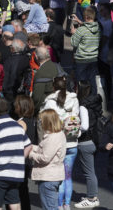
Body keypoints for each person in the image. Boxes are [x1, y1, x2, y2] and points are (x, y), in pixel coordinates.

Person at [0, 97, 32, 210]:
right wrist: (18, 159)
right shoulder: (17, 125)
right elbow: (29, 146)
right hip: (15, 174)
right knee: (14, 201)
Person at [40, 78, 80, 209]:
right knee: (68, 176)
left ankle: (58, 205)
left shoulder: (50, 102)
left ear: (53, 87)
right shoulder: (74, 99)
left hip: (56, 143)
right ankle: (67, 204)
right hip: (72, 143)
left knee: (58, 177)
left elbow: (44, 121)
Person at [29, 109, 67, 210]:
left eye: (41, 121)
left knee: (49, 207)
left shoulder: (52, 137)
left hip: (48, 177)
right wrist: (31, 146)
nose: (40, 123)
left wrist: (30, 154)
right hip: (53, 175)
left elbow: (45, 158)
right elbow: (45, 150)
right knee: (51, 206)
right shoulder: (58, 134)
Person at [74, 81, 102, 208]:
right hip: (94, 140)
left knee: (89, 172)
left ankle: (92, 198)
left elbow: (85, 126)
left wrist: (76, 131)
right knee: (91, 171)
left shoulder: (83, 106)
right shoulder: (93, 104)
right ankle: (92, 195)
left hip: (86, 142)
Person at [71, 7, 101, 95]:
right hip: (93, 59)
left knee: (81, 82)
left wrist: (74, 33)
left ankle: (82, 100)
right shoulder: (98, 28)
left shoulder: (81, 30)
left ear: (86, 17)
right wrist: (80, 22)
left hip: (82, 60)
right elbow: (89, 26)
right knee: (92, 81)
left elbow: (74, 43)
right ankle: (93, 99)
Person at [32, 47, 59, 111]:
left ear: (36, 57)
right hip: (59, 104)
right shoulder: (57, 66)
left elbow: (37, 98)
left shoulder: (40, 73)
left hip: (46, 110)